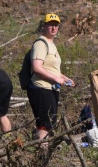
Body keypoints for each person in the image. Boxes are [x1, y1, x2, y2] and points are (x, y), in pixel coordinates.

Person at [27, 13, 75, 143]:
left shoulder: (52, 45)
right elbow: (37, 67)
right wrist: (56, 79)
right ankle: (41, 156)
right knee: (44, 125)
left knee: (48, 124)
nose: (53, 28)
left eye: (56, 25)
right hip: (41, 88)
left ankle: (41, 151)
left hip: (50, 89)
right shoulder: (41, 44)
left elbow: (51, 69)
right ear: (44, 26)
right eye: (50, 25)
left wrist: (64, 78)